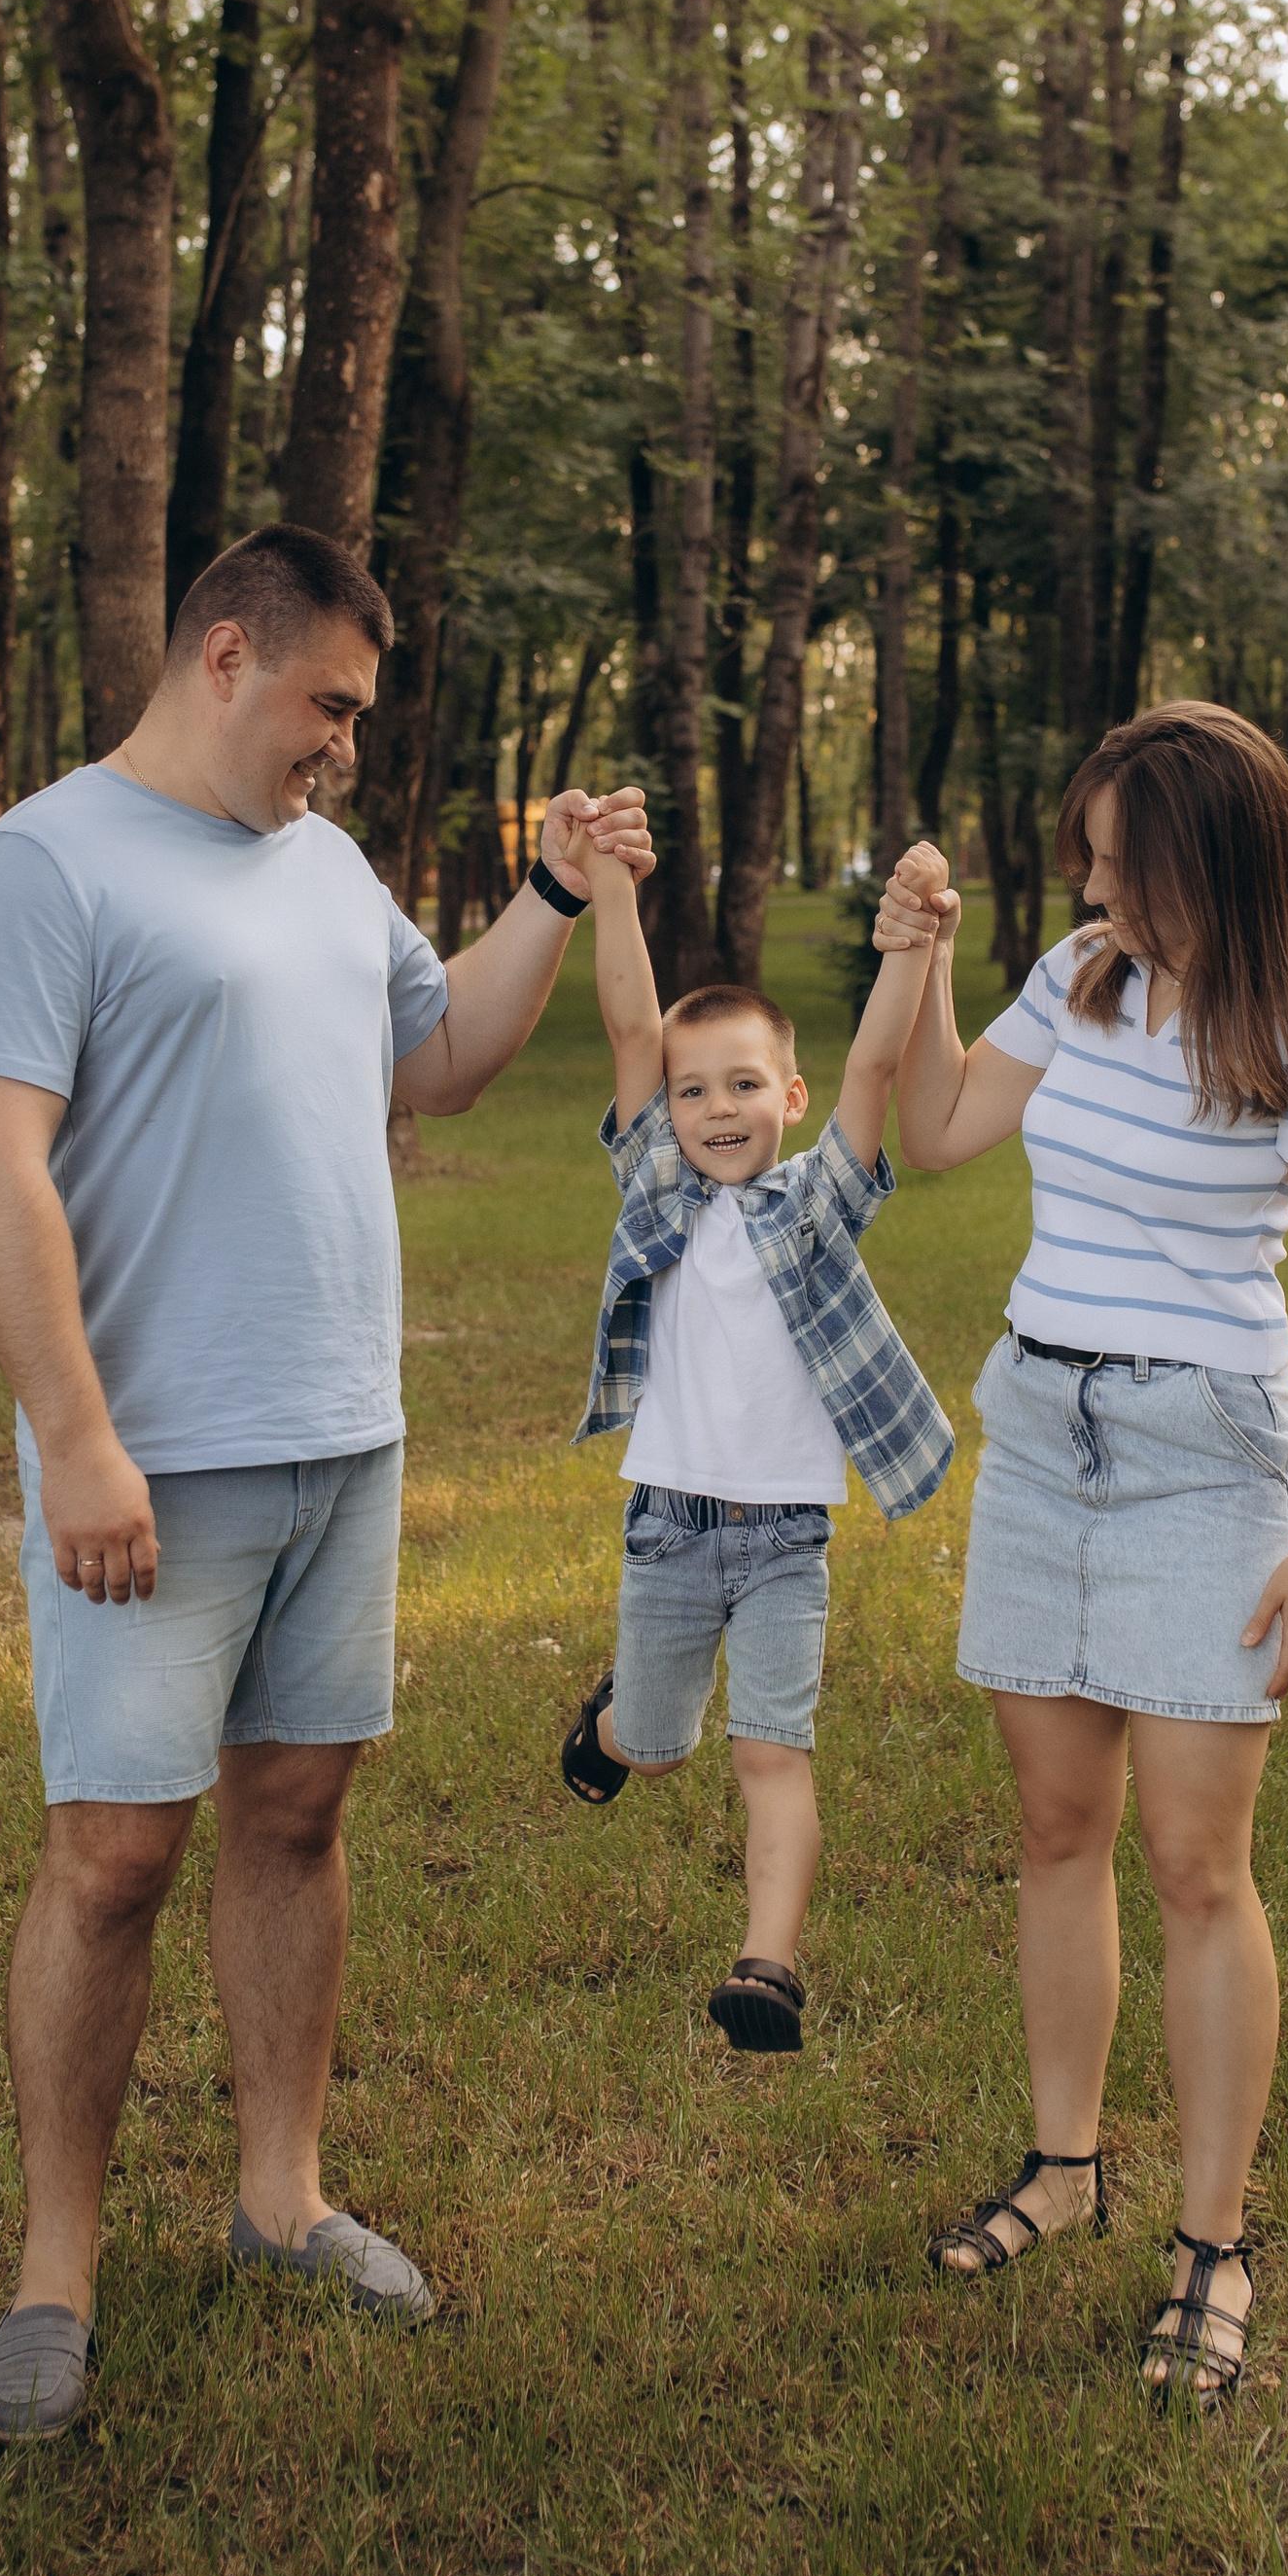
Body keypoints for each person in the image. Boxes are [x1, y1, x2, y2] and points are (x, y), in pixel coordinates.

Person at [0, 522, 652, 2438]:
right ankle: (53, 2273)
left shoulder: (326, 868)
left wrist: (552, 893)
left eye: (360, 715)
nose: (344, 743)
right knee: (112, 1859)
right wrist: (75, 1436)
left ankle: (280, 2200)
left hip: (344, 1440)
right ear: (227, 655)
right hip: (150, 1462)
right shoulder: (44, 865)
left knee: (298, 1819)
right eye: (330, 703)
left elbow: (441, 1059)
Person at [883, 703, 1288, 2410]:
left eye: (1120, 865)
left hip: (1205, 1459)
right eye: (1088, 860)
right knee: (1054, 1827)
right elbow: (937, 1130)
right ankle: (1063, 2166)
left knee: (1194, 1862)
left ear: (1213, 865)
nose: (1094, 890)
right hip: (1043, 1431)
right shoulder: (1080, 977)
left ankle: (1214, 2247)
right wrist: (921, 961)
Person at [559, 826, 954, 2051]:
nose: (714, 1109)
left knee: (772, 1753)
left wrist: (908, 937)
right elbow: (632, 1023)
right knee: (658, 1748)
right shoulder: (657, 1189)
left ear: (788, 1098)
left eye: (741, 1086)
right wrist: (610, 880)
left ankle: (766, 1968)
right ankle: (612, 1723)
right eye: (691, 1091)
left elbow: (876, 1064)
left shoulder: (818, 1204)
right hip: (668, 1535)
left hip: (787, 1540)